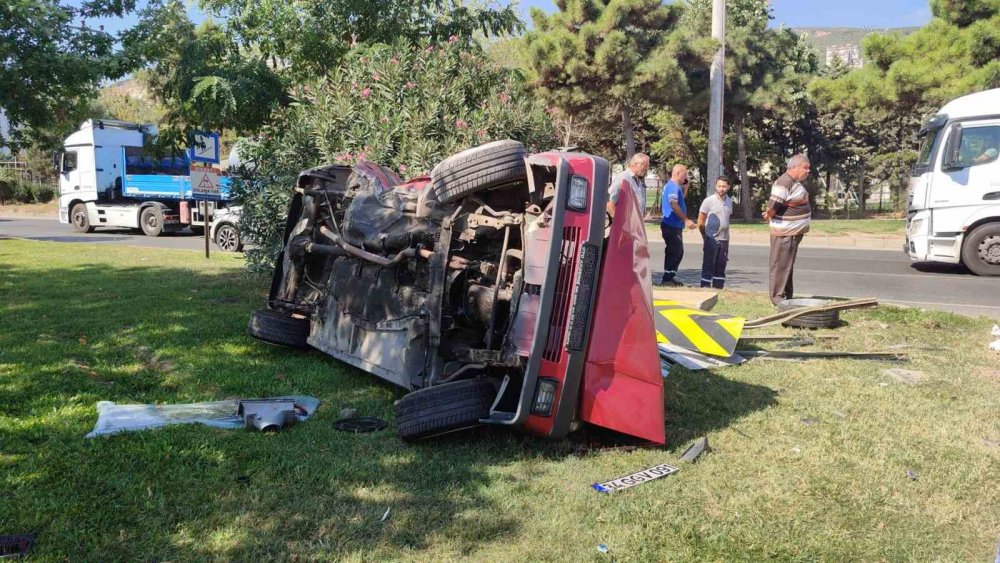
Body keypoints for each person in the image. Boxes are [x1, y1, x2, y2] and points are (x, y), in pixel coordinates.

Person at [763, 154, 812, 305]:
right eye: (805, 167)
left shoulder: (793, 182)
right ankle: (778, 299)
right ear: (794, 167)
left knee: (787, 264)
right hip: (784, 233)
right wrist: (769, 214)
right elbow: (773, 205)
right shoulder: (784, 181)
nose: (808, 171)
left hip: (792, 232)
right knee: (780, 264)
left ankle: (787, 297)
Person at [660, 164, 696, 286]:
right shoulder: (674, 187)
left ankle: (669, 277)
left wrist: (685, 189)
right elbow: (674, 204)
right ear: (678, 173)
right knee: (676, 251)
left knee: (675, 251)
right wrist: (686, 220)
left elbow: (679, 201)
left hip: (674, 225)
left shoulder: (673, 187)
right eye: (685, 174)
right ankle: (667, 278)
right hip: (671, 224)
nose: (686, 177)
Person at [698, 175, 733, 289]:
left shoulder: (729, 201)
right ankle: (705, 288)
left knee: (721, 266)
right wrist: (705, 236)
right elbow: (701, 220)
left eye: (724, 186)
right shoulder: (708, 201)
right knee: (708, 265)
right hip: (711, 239)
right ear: (715, 186)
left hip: (724, 239)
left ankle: (718, 289)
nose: (721, 189)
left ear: (728, 187)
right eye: (719, 186)